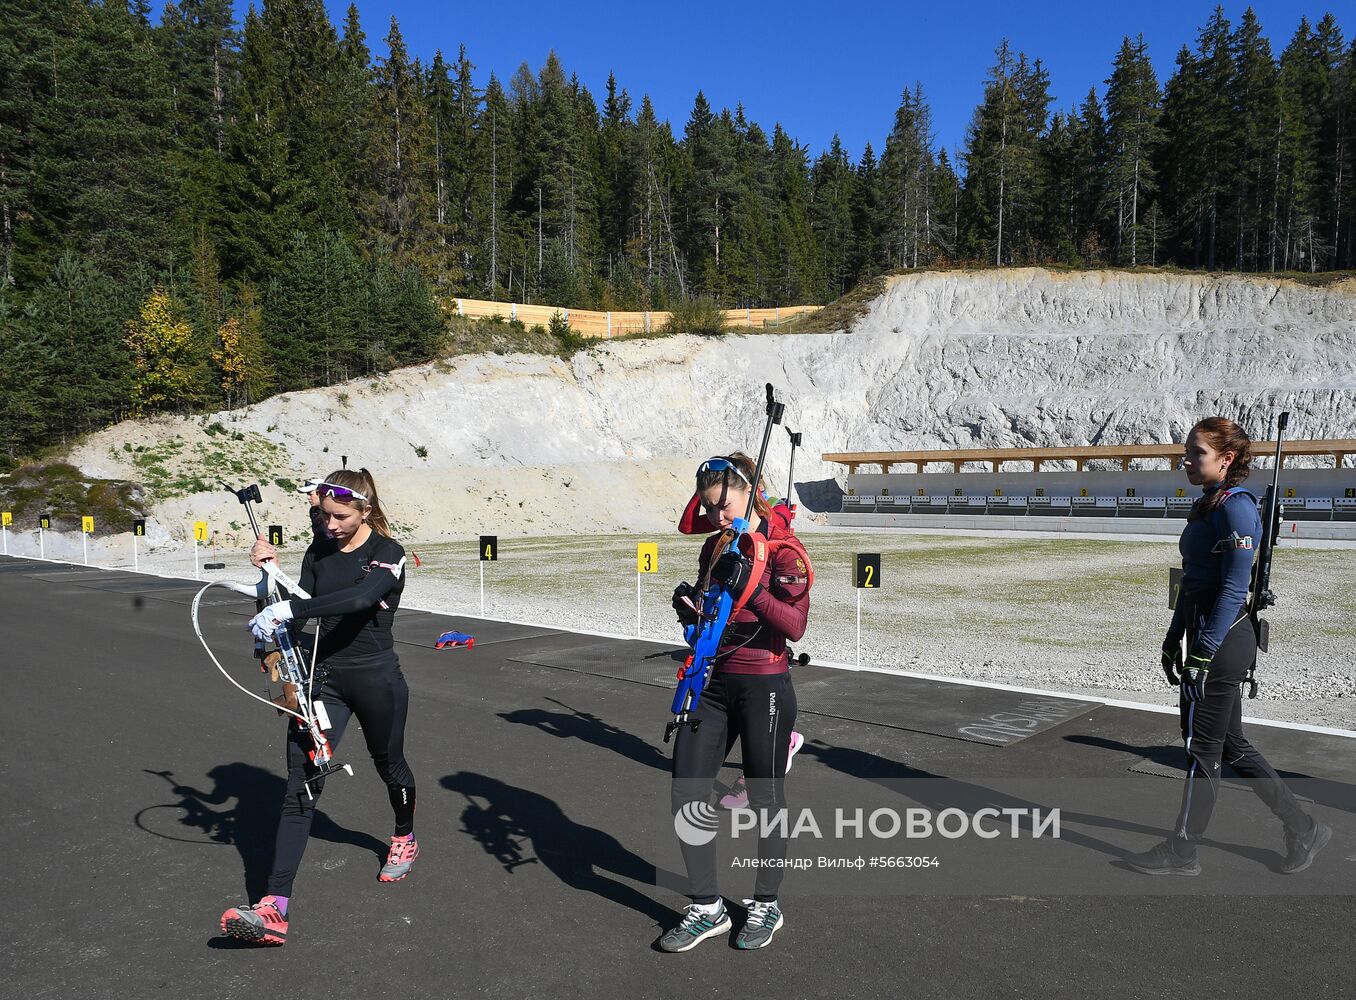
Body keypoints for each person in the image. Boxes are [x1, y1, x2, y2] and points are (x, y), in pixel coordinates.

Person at [219, 468, 419, 945]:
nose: (328, 524)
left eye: (339, 516)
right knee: (301, 785)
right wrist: (268, 577)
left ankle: (404, 834)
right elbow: (296, 600)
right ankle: (273, 907)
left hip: (376, 680)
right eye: (323, 515)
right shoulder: (318, 550)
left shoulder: (387, 555)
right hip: (321, 679)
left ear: (364, 511)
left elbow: (358, 599)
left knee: (389, 765)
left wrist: (288, 610)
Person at [1124, 418, 1330, 877]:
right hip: (1204, 634)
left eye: (1196, 452)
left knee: (1201, 748)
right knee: (1231, 745)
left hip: (1223, 641)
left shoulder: (1236, 510)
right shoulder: (1206, 505)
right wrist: (1173, 635)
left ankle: (1183, 850)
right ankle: (1303, 827)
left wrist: (1201, 651)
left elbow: (1235, 587)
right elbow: (1194, 581)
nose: (1186, 460)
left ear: (1226, 458)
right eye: (1187, 450)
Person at [662, 453, 813, 952]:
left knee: (767, 803)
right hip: (712, 683)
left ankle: (765, 905)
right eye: (708, 509)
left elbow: (794, 626)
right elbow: (711, 613)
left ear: (750, 491)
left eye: (722, 506)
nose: (716, 517)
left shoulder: (784, 549)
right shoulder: (715, 546)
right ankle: (707, 909)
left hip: (765, 686)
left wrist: (749, 589)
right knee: (687, 791)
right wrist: (694, 606)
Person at [296, 477, 328, 544]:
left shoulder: (333, 511)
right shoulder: (313, 511)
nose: (308, 498)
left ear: (320, 493)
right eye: (307, 494)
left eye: (310, 494)